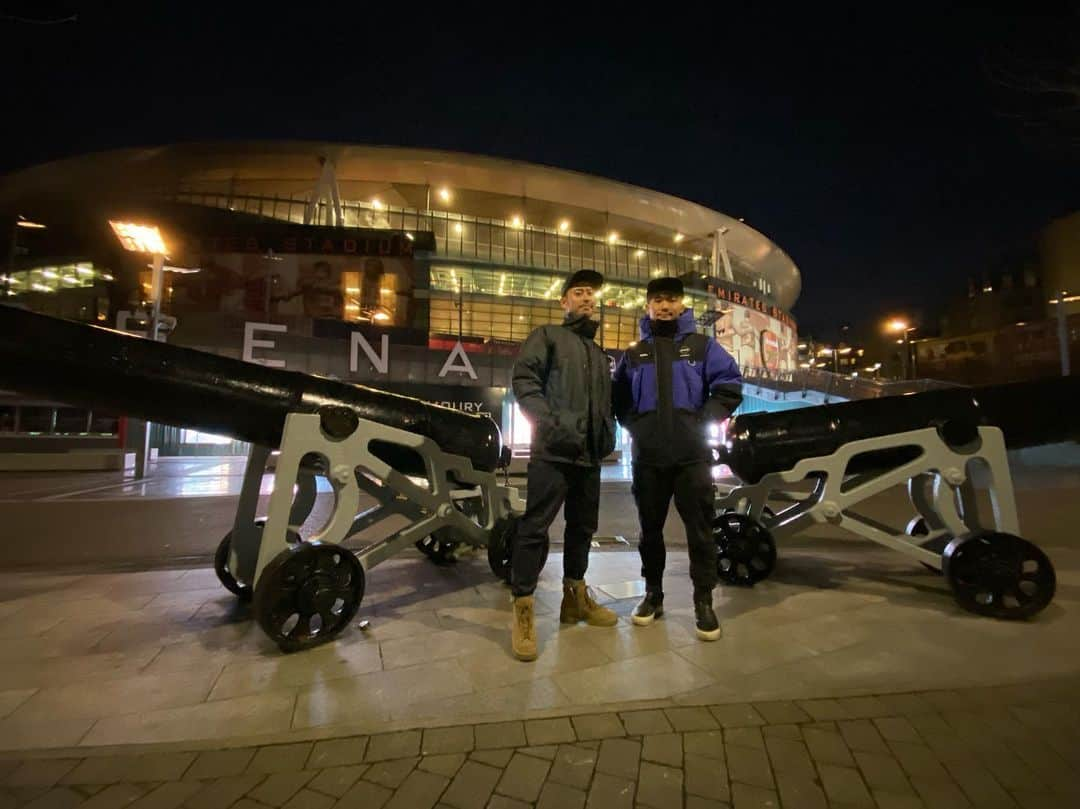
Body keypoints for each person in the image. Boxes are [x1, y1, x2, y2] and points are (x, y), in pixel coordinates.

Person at [612, 277, 743, 640]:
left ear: (682, 306)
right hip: (649, 459)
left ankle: (704, 601)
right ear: (648, 306)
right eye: (658, 300)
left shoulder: (703, 347)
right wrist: (635, 425)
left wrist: (703, 420)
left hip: (692, 460)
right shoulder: (635, 353)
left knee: (700, 532)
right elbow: (619, 397)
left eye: (671, 300)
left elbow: (729, 386)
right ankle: (653, 595)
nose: (665, 306)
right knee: (649, 532)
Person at [509, 268, 618, 661]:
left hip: (588, 456)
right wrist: (551, 424)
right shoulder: (547, 336)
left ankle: (575, 599)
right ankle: (522, 608)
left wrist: (608, 433)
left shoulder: (597, 352)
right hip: (552, 452)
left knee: (583, 528)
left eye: (592, 294)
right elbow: (524, 381)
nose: (588, 298)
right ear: (565, 301)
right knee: (535, 528)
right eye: (580, 292)